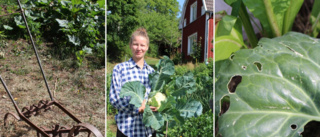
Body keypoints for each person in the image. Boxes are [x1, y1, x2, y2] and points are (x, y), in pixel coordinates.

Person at [109, 28, 157, 137]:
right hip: (126, 129)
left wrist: (159, 106)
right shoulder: (120, 69)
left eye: (142, 45)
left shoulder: (152, 72)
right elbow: (115, 99)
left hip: (148, 131)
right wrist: (138, 108)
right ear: (130, 45)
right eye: (135, 44)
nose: (139, 48)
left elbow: (155, 97)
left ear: (147, 47)